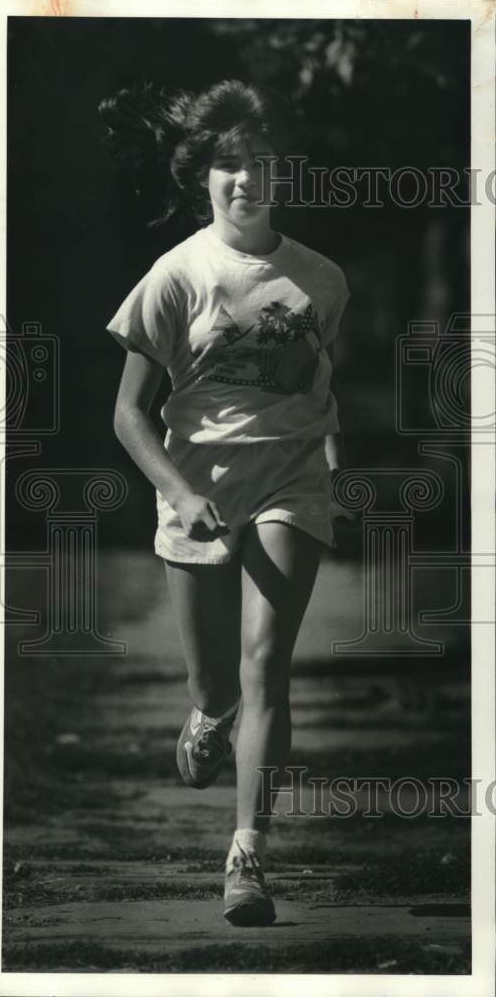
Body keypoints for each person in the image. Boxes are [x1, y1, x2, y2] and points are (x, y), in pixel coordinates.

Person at [100, 78, 351, 926]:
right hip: (197, 492)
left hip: (290, 485)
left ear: (287, 172)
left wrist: (331, 448)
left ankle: (247, 855)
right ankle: (207, 717)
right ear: (201, 175)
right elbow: (128, 413)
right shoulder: (176, 276)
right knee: (219, 683)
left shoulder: (322, 279)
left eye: (261, 164)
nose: (245, 180)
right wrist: (179, 491)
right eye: (227, 165)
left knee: (266, 664)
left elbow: (318, 385)